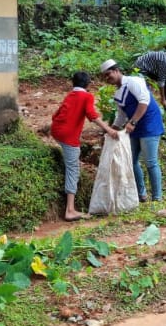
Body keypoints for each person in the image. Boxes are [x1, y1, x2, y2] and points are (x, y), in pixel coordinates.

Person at [51, 71, 119, 221]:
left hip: (56, 131)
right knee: (73, 169)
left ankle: (70, 207)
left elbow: (55, 116)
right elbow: (92, 115)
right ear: (88, 84)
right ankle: (70, 209)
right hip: (69, 136)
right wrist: (108, 129)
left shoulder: (70, 95)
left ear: (72, 83)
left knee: (71, 160)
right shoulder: (87, 96)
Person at [100, 58, 165, 202]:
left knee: (150, 161)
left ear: (117, 71)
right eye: (104, 76)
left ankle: (157, 197)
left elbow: (144, 101)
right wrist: (111, 130)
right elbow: (121, 115)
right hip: (133, 127)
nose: (107, 78)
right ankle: (141, 194)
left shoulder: (133, 82)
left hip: (149, 124)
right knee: (132, 160)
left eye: (109, 74)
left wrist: (133, 121)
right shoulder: (118, 94)